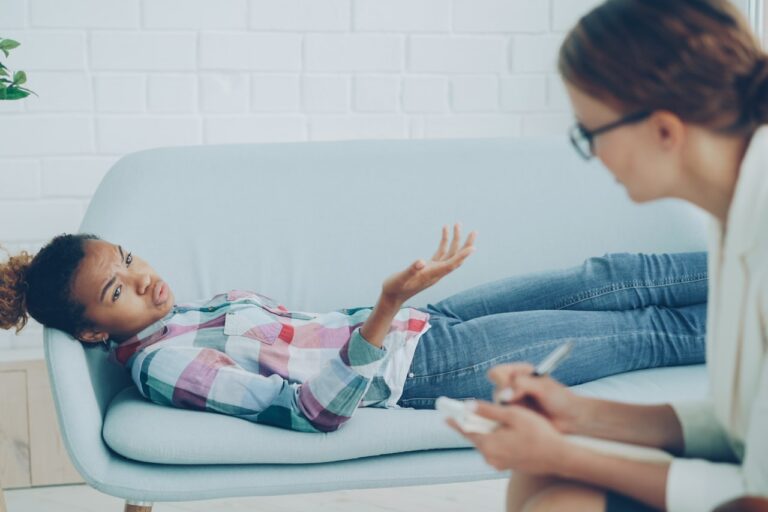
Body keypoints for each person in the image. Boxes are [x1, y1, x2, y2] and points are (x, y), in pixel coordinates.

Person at [451, 1, 768, 511]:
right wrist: (577, 414)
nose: (592, 154)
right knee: (539, 471)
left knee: (561, 496)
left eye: (590, 132)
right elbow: (742, 428)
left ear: (665, 130)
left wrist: (568, 453)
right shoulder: (731, 214)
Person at [0, 225, 706, 433]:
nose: (142, 276)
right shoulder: (162, 366)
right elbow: (307, 412)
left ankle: (751, 261)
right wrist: (384, 310)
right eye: (117, 289)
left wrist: (399, 308)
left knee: (606, 275)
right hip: (424, 368)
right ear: (93, 333)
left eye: (127, 258)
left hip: (427, 323)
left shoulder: (179, 315)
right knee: (648, 329)